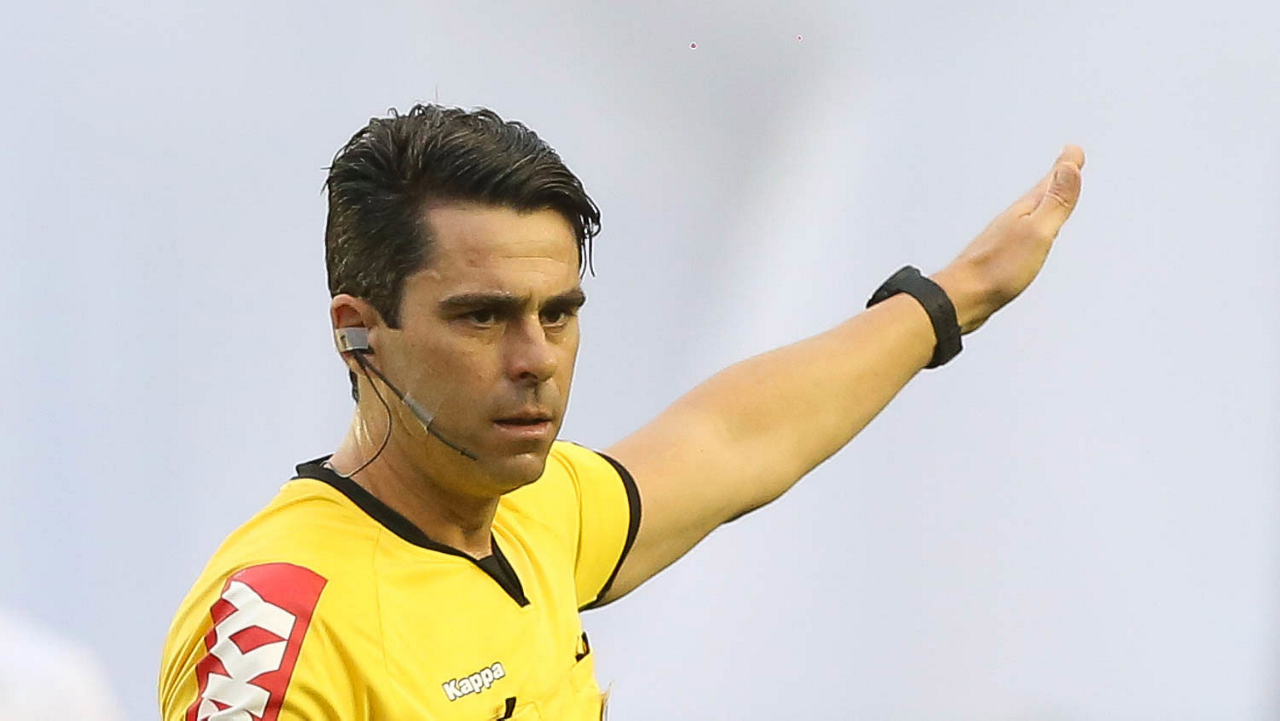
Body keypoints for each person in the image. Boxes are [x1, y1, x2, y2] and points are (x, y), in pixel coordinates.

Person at [159, 105, 1084, 720]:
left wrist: (961, 292)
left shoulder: (529, 510)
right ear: (358, 332)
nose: (535, 358)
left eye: (558, 313)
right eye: (482, 316)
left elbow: (734, 435)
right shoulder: (277, 625)